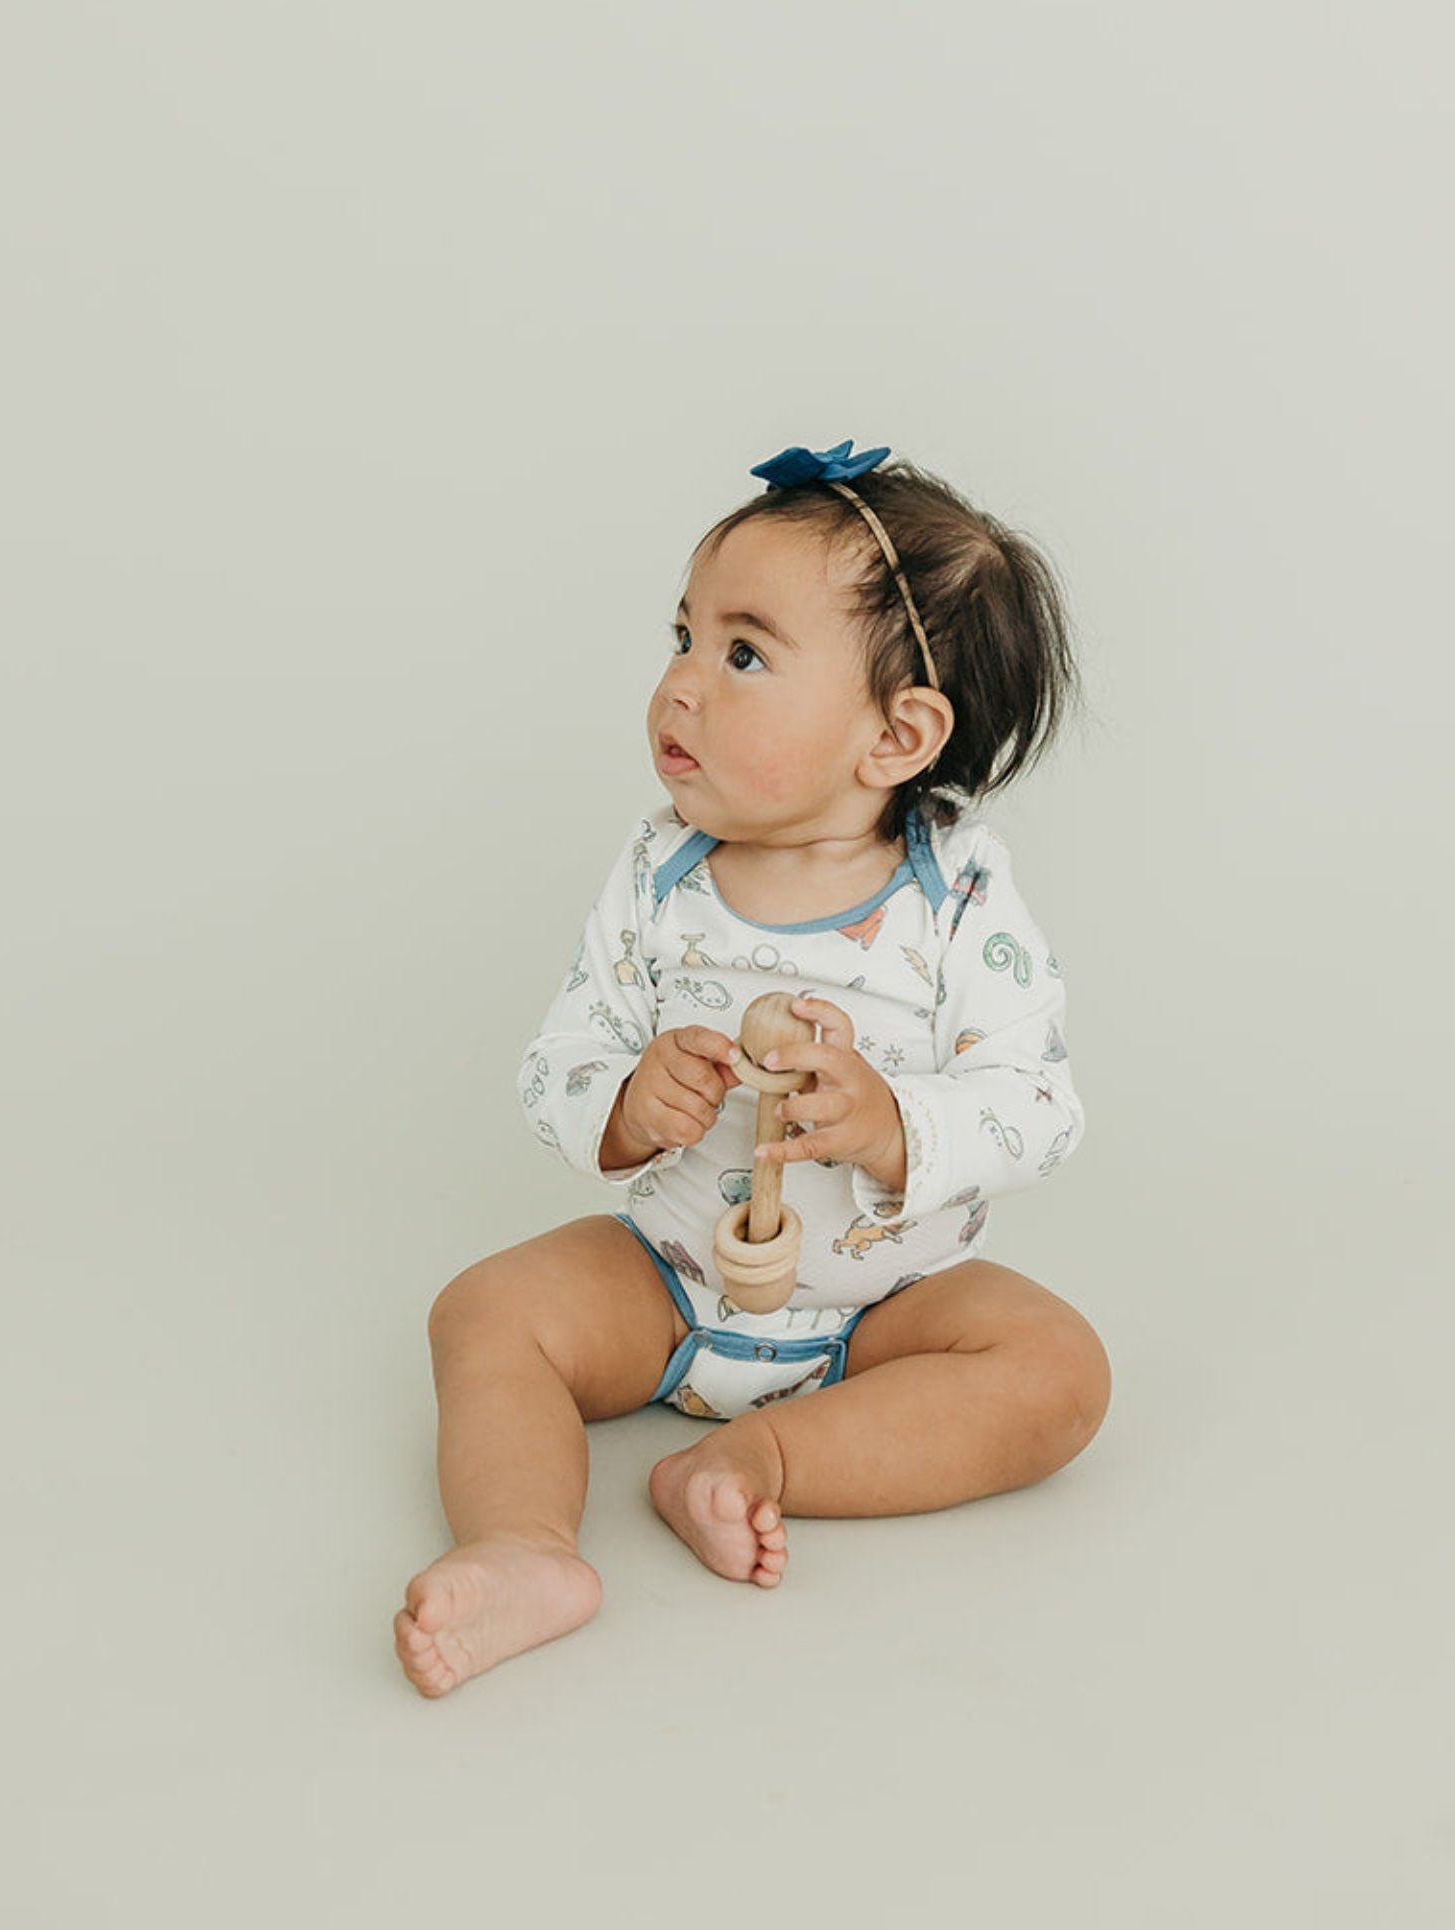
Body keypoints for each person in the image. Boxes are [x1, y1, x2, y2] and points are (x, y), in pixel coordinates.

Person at [395, 439, 1112, 1699]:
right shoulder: (658, 875)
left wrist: (894, 1123)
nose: (679, 684)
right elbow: (559, 1054)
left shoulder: (956, 900)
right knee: (484, 1310)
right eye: (682, 636)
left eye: (741, 655)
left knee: (1058, 1368)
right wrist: (627, 1103)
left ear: (894, 734)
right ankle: (523, 1544)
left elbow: (1039, 1104)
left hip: (889, 1307)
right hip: (668, 1280)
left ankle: (759, 1462)